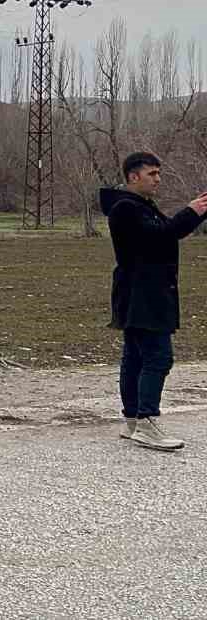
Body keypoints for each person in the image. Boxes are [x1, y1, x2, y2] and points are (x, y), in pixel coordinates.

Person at [98, 152, 207, 451]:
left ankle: (133, 420)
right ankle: (146, 421)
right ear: (134, 176)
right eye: (153, 174)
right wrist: (190, 212)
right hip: (143, 295)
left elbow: (167, 233)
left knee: (134, 357)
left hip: (144, 292)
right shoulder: (125, 209)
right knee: (158, 357)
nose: (158, 179)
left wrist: (197, 211)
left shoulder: (138, 206)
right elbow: (159, 236)